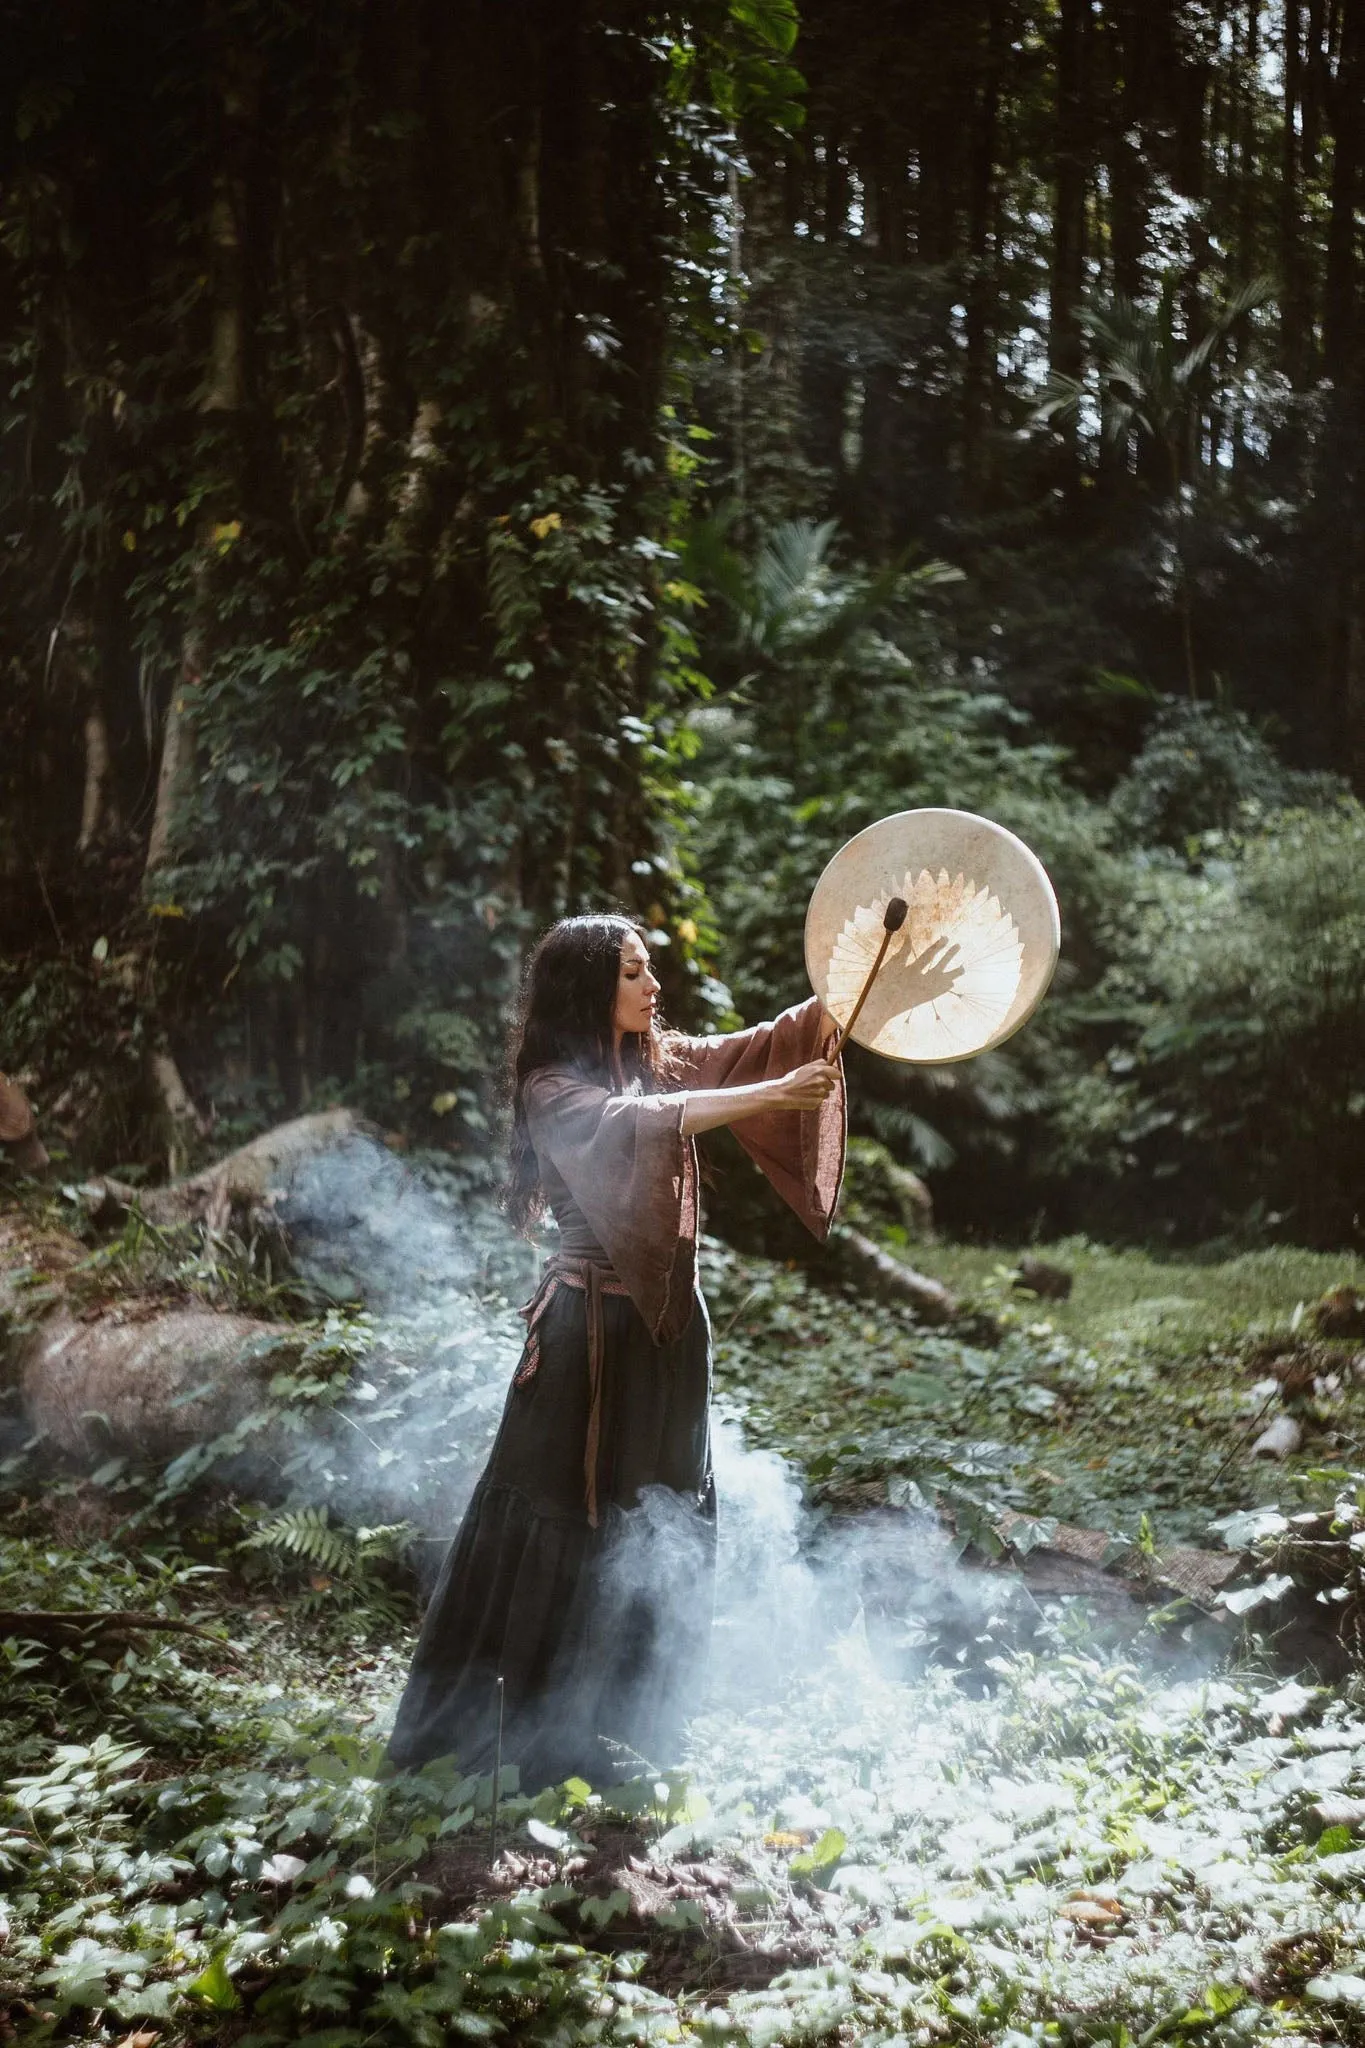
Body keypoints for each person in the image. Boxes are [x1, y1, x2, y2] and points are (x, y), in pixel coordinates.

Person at [387, 913, 845, 1788]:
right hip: (580, 1341)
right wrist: (764, 1099)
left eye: (648, 970)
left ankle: (625, 1739)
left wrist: (852, 996)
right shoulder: (553, 1089)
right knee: (556, 1517)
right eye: (633, 973)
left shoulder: (651, 1062)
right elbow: (640, 1122)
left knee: (657, 1519)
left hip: (666, 1333)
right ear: (590, 985)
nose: (651, 986)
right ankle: (510, 1737)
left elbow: (750, 1050)